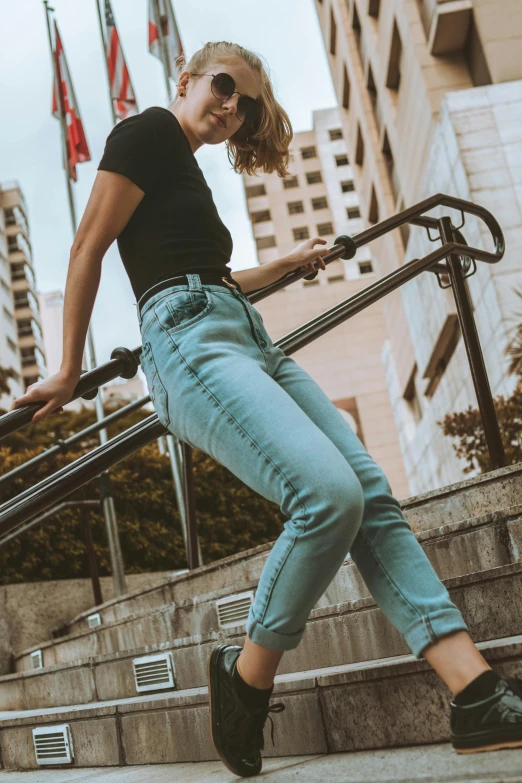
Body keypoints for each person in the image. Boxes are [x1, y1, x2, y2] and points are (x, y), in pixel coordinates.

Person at [9, 40, 522, 779]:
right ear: (184, 79)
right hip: (189, 342)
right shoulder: (146, 130)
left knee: (368, 495)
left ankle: (473, 690)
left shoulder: (184, 169)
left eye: (245, 102)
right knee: (326, 494)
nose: (232, 108)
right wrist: (65, 368)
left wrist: (286, 264)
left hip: (241, 332)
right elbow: (89, 244)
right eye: (224, 88)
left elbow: (206, 272)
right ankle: (247, 673)